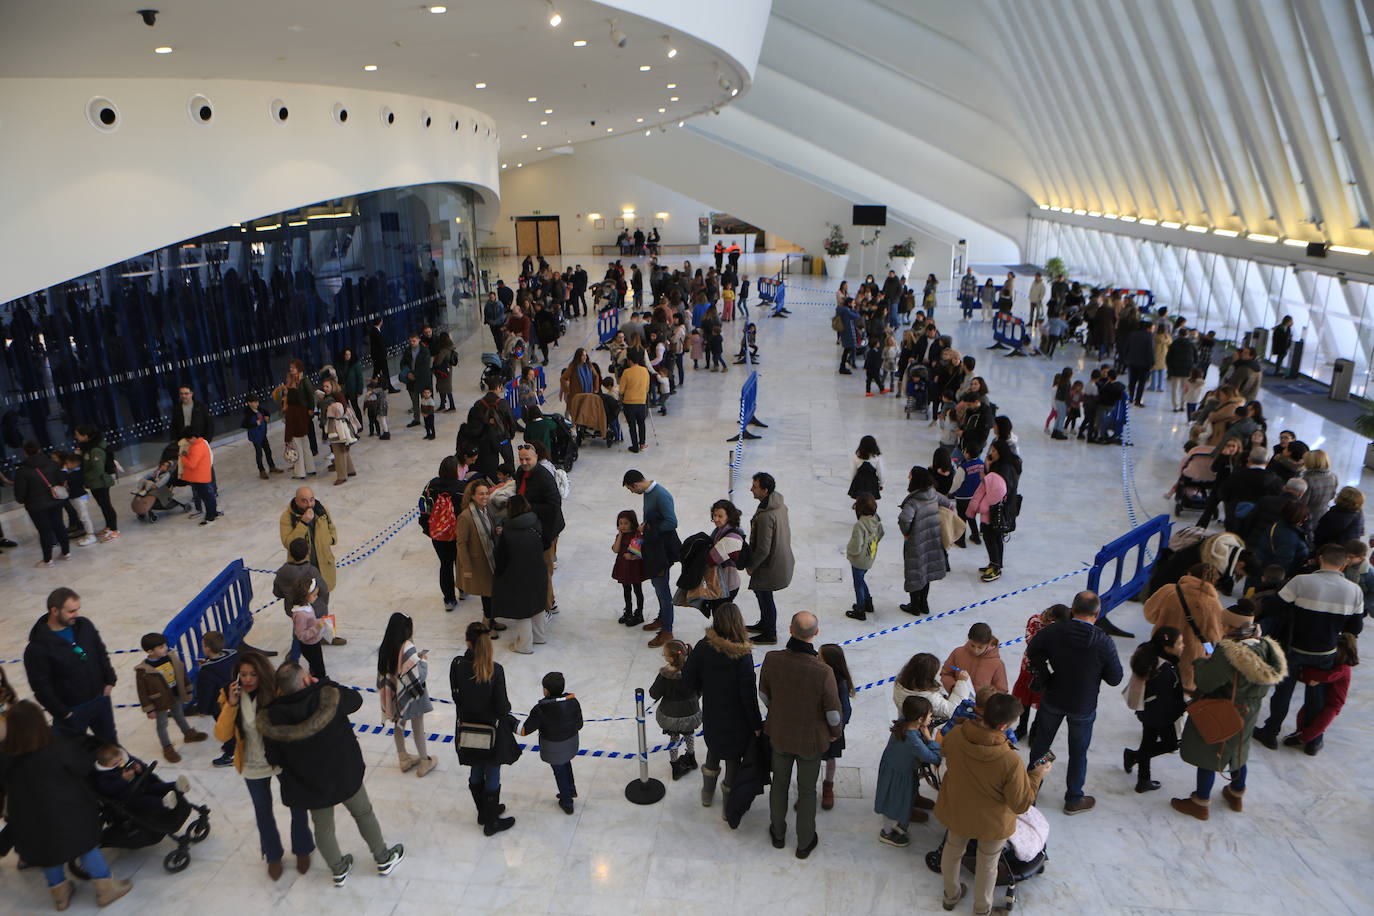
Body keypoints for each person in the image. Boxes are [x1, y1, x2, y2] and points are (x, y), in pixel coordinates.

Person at [257, 662, 404, 887]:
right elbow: (356, 700)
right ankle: (383, 858)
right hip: (344, 772)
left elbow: (273, 758)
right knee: (363, 812)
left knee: (323, 827)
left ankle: (338, 868)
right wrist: (325, 683)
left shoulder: (272, 717)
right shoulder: (325, 697)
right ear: (306, 680)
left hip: (310, 783)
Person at [0, 700, 133, 909]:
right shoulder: (56, 748)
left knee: (48, 855)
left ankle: (60, 894)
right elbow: (82, 767)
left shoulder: (5, 756)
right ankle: (106, 888)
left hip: (28, 820)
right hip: (68, 813)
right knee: (87, 848)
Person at [1170, 602, 1287, 820]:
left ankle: (1200, 802)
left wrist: (1200, 663)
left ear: (1232, 627)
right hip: (1249, 710)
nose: (1221, 627)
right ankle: (1236, 793)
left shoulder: (1228, 652)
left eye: (1224, 624)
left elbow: (1206, 682)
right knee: (1238, 750)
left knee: (1211, 749)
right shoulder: (1266, 646)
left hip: (1224, 708)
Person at [935, 694, 1048, 915]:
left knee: (952, 849)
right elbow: (1021, 804)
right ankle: (982, 910)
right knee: (988, 863)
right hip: (992, 822)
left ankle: (950, 896)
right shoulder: (1010, 761)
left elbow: (945, 752)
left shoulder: (957, 734)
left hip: (957, 808)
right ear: (1004, 725)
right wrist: (1036, 775)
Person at [214, 651, 315, 880]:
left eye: (253, 674)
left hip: (281, 762)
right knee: (263, 812)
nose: (248, 679)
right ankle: (272, 855)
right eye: (243, 675)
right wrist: (231, 704)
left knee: (297, 806)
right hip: (252, 765)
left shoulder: (277, 693)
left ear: (263, 675)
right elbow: (222, 734)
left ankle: (302, 848)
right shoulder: (231, 695)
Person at [1253, 542, 1364, 750]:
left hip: (1294, 648)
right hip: (1326, 653)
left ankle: (1270, 732)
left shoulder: (1301, 582)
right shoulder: (1354, 591)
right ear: (1343, 565)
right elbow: (1355, 628)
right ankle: (1312, 740)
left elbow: (1273, 606)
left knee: (1283, 693)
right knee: (1316, 695)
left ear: (1321, 559)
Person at [1025, 591, 1123, 815]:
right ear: (1097, 614)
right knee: (1078, 752)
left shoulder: (1054, 631)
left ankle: (1030, 793)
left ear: (1072, 609)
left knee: (1042, 744)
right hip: (1083, 703)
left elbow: (1033, 651)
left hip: (1054, 696)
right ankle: (1074, 798)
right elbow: (1115, 678)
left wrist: (1046, 675)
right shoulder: (1103, 641)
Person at [758, 612, 841, 859]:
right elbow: (833, 713)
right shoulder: (823, 671)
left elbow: (764, 695)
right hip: (811, 741)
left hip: (780, 734)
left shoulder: (772, 659)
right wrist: (834, 734)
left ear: (790, 629)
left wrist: (778, 712)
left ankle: (778, 832)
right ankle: (805, 842)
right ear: (816, 633)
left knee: (779, 784)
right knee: (806, 792)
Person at [683, 602, 763, 811]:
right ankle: (729, 806)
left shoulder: (703, 646)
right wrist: (756, 724)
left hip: (712, 712)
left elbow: (688, 677)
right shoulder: (743, 655)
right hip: (737, 720)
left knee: (714, 749)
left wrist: (702, 688)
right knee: (733, 760)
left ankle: (707, 794)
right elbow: (748, 695)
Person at [24, 587, 117, 744]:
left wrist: (109, 680)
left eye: (77, 610)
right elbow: (41, 686)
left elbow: (101, 652)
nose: (77, 615)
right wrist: (63, 712)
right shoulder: (37, 648)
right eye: (71, 611)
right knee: (73, 752)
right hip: (72, 711)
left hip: (100, 699)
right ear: (55, 611)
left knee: (110, 745)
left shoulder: (84, 625)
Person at [451, 622, 518, 835]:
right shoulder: (495, 670)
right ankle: (491, 822)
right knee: (493, 773)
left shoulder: (457, 665)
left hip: (467, 729)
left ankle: (483, 811)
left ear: (468, 642)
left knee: (476, 769)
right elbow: (502, 708)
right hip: (491, 732)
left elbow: (456, 696)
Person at [1142, 563, 1226, 691]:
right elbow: (1214, 635)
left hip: (1161, 648)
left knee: (1155, 688)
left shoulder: (1168, 590)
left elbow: (1149, 614)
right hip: (1191, 657)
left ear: (1189, 574)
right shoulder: (1214, 604)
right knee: (1181, 694)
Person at [1122, 627, 1186, 793]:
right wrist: (1184, 707)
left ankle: (1142, 777)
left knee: (1148, 741)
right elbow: (1169, 698)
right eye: (1179, 643)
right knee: (1170, 743)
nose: (1183, 645)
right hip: (1160, 713)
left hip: (1146, 708)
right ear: (1167, 647)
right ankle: (1136, 760)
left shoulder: (1146, 652)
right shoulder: (1165, 670)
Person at [623, 469, 683, 648]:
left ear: (636, 485)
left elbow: (672, 522)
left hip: (661, 551)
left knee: (662, 590)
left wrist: (647, 529)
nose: (632, 493)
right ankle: (662, 618)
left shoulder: (661, 495)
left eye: (631, 489)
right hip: (653, 547)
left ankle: (667, 630)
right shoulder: (648, 493)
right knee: (658, 587)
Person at [872, 695, 941, 848]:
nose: (932, 717)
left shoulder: (903, 723)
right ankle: (887, 833)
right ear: (920, 719)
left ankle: (897, 823)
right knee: (893, 803)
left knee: (895, 800)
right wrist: (930, 739)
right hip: (899, 776)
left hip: (893, 770)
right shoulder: (913, 741)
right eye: (929, 715)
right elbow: (934, 758)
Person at [376, 613, 436, 777]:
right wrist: (423, 660)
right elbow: (418, 676)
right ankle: (424, 761)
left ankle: (403, 758)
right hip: (412, 694)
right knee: (418, 726)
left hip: (395, 694)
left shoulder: (386, 646)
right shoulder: (408, 646)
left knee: (399, 724)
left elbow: (382, 676)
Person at [134, 632, 208, 762]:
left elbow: (182, 674)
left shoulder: (172, 658)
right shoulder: (143, 670)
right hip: (159, 701)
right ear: (150, 651)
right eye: (161, 647)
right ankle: (167, 747)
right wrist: (149, 709)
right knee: (162, 724)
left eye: (165, 645)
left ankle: (188, 734)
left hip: (175, 695)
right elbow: (142, 691)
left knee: (179, 714)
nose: (165, 648)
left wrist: (188, 689)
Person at [491, 494, 550, 654]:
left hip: (518, 576)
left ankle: (524, 645)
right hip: (538, 571)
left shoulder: (508, 532)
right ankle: (539, 637)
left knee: (522, 611)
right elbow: (545, 543)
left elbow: (501, 558)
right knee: (537, 605)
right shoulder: (536, 522)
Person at [519, 671, 584, 814]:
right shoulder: (572, 702)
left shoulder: (541, 709)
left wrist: (511, 722)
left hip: (553, 748)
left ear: (546, 690)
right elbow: (579, 724)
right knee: (566, 763)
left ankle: (567, 802)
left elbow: (524, 730)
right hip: (570, 743)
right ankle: (571, 790)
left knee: (559, 771)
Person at [1287, 631, 1358, 754]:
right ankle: (1300, 732)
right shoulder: (1335, 665)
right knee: (1302, 714)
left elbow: (1326, 677)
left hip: (1333, 705)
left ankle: (1303, 739)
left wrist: (1303, 674)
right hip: (1324, 698)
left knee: (1319, 725)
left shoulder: (1343, 669)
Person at [745, 472, 794, 646]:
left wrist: (751, 566)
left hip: (770, 564)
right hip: (779, 558)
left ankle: (769, 633)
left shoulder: (766, 515)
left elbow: (763, 549)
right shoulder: (777, 504)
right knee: (763, 595)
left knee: (765, 596)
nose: (751, 489)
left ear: (765, 491)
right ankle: (764, 623)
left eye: (755, 486)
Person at [1010, 604, 1070, 741]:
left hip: (1047, 669)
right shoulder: (1035, 621)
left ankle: (1035, 730)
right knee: (1024, 699)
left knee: (1041, 700)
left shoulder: (1061, 628)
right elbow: (1030, 642)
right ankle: (1022, 727)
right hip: (1029, 666)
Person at [897, 466, 953, 616]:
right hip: (933, 539)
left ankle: (914, 606)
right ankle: (924, 603)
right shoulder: (933, 494)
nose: (908, 478)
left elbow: (904, 519)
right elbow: (948, 503)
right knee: (926, 572)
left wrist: (906, 532)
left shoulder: (913, 502)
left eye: (910, 476)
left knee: (915, 572)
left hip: (916, 541)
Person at [419, 456, 467, 611]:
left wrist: (428, 528)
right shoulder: (462, 487)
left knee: (445, 565)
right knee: (460, 562)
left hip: (438, 534)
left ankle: (449, 600)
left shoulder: (431, 485)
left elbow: (422, 506)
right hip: (457, 533)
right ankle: (463, 590)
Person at [651, 638, 703, 781]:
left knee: (674, 739)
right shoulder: (693, 671)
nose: (664, 656)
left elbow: (653, 693)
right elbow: (701, 688)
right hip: (691, 713)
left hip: (671, 716)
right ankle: (691, 758)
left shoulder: (665, 675)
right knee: (689, 734)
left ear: (672, 657)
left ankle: (675, 767)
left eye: (664, 654)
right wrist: (694, 698)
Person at [968, 441, 1020, 583]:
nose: (992, 453)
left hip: (996, 510)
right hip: (997, 509)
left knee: (991, 537)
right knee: (993, 537)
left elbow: (997, 491)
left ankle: (995, 567)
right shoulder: (1002, 466)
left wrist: (986, 478)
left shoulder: (1005, 469)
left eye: (995, 451)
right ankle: (994, 563)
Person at [13, 441, 71, 566]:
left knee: (44, 531)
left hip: (36, 506)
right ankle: (66, 552)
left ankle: (47, 559)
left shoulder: (22, 471)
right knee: (59, 525)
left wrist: (24, 500)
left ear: (25, 452)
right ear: (39, 450)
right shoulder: (52, 464)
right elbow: (62, 481)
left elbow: (20, 495)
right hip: (55, 501)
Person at [280, 487, 339, 595]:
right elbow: (288, 543)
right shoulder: (287, 517)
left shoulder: (322, 510)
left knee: (323, 601)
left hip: (323, 565)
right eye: (304, 501)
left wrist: (331, 539)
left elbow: (331, 526)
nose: (309, 504)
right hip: (303, 569)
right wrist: (303, 523)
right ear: (296, 501)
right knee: (306, 601)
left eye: (311, 499)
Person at [817, 643, 854, 811]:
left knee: (830, 759)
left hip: (832, 730)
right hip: (816, 728)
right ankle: (808, 789)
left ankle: (828, 786)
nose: (816, 659)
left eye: (820, 657)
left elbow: (846, 710)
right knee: (812, 759)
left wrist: (836, 731)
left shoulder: (840, 683)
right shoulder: (817, 674)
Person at [72, 425, 119, 541]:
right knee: (102, 505)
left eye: (78, 435)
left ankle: (114, 530)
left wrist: (85, 477)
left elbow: (98, 470)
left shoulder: (95, 450)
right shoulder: (87, 448)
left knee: (106, 505)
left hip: (100, 483)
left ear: (85, 436)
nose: (76, 437)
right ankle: (109, 526)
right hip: (94, 483)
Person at [844, 493, 884, 621]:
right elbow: (881, 533)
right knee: (861, 579)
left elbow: (856, 547)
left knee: (858, 583)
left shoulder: (860, 525)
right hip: (870, 556)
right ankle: (868, 603)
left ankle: (860, 609)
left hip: (859, 560)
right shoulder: (876, 519)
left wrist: (849, 552)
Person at [940, 622, 1008, 693]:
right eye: (972, 645)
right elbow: (946, 673)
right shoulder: (958, 653)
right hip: (957, 699)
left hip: (982, 703)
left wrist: (986, 699)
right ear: (969, 639)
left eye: (980, 647)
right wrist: (954, 688)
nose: (975, 650)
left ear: (988, 644)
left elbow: (1001, 690)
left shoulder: (997, 664)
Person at [612, 509, 646, 625]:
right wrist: (620, 535)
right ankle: (628, 611)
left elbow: (641, 554)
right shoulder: (620, 535)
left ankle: (639, 613)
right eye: (620, 523)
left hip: (634, 567)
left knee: (637, 590)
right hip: (623, 566)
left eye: (625, 523)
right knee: (626, 590)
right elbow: (616, 550)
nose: (623, 526)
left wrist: (632, 557)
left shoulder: (637, 536)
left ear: (632, 522)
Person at [242, 394, 283, 479]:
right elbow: (244, 424)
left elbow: (267, 412)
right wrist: (255, 424)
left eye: (257, 402)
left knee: (268, 451)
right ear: (249, 403)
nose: (257, 404)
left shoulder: (260, 409)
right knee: (259, 453)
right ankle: (261, 470)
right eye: (254, 402)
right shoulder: (248, 413)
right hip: (256, 436)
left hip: (263, 434)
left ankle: (272, 467)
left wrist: (267, 416)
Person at [399, 332, 432, 428]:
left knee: (425, 401)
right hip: (411, 381)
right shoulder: (408, 351)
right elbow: (403, 363)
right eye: (410, 341)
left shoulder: (424, 351)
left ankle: (428, 420)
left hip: (422, 380)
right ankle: (416, 419)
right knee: (414, 401)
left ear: (418, 340)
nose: (412, 343)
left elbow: (425, 366)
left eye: (414, 341)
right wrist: (407, 373)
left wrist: (414, 374)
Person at [620, 353, 651, 452]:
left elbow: (621, 390)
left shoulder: (626, 372)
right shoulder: (645, 371)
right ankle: (642, 444)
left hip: (629, 402)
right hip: (641, 402)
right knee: (641, 423)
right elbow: (647, 387)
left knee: (632, 425)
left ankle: (634, 446)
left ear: (630, 361)